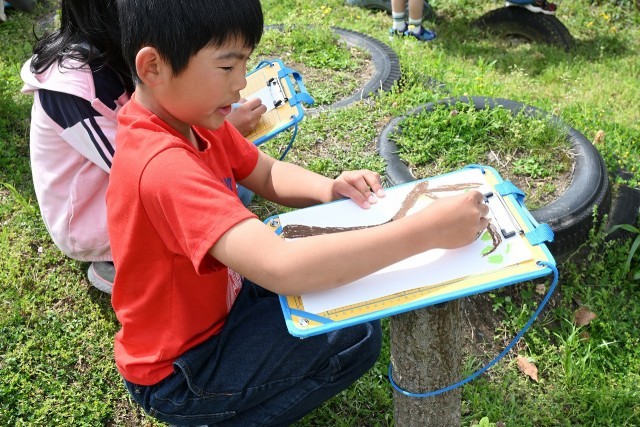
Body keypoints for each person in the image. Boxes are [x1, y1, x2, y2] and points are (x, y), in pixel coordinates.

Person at [107, 0, 489, 425]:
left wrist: (327, 189)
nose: (241, 84)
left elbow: (263, 171)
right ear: (154, 67)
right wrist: (426, 231)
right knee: (354, 336)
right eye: (227, 66)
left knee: (339, 292)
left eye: (244, 64)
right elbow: (282, 267)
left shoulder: (190, 117)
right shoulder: (163, 167)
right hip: (183, 371)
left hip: (222, 307)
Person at [20, 0, 266, 294]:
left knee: (237, 189)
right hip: (96, 218)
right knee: (225, 196)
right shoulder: (70, 88)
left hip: (150, 174)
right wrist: (224, 131)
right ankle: (119, 266)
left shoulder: (118, 55)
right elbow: (134, 168)